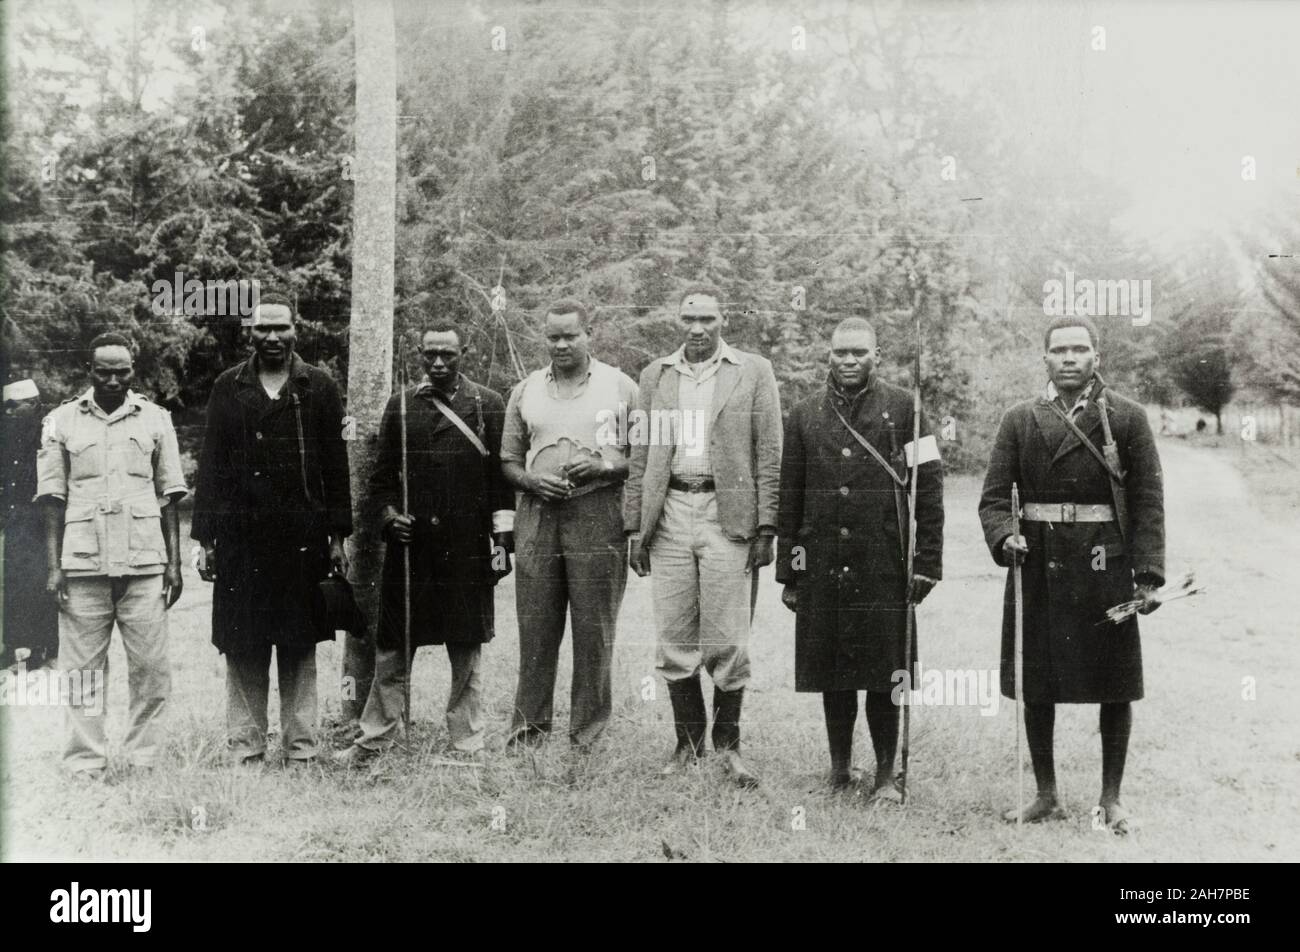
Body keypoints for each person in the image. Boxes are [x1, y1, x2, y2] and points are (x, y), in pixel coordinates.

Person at [978, 314, 1164, 833]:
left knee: (1114, 684)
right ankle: (1046, 794)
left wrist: (1147, 574)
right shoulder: (1019, 419)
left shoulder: (1127, 418)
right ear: (1044, 358)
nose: (1068, 359)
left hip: (1105, 566)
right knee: (1038, 684)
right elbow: (993, 499)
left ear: (1095, 357)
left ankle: (1111, 798)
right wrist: (1003, 536)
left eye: (1079, 350)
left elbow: (1148, 500)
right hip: (1038, 563)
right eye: (1058, 350)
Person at [776, 317, 943, 799]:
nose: (848, 361)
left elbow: (929, 488)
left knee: (884, 673)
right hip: (823, 565)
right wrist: (792, 573)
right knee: (833, 673)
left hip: (884, 565)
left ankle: (887, 774)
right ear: (828, 355)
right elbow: (792, 498)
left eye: (858, 353)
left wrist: (927, 561)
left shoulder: (906, 409)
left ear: (877, 356)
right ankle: (839, 769)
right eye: (840, 353)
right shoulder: (805, 414)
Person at [625, 285, 782, 788]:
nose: (697, 328)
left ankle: (729, 748)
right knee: (673, 634)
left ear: (723, 321)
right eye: (689, 318)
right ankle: (686, 743)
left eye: (707, 319)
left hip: (726, 513)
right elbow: (639, 456)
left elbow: (769, 454)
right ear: (679, 321)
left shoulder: (753, 371)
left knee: (728, 638)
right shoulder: (656, 375)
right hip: (669, 511)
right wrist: (635, 527)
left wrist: (767, 526)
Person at [336, 322, 513, 765]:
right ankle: (375, 739)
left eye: (447, 355)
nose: (437, 363)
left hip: (467, 548)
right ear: (419, 353)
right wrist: (389, 517)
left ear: (464, 352)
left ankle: (467, 744)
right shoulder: (399, 406)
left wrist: (502, 543)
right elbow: (380, 482)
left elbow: (501, 485)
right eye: (429, 354)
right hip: (411, 550)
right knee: (393, 648)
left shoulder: (488, 405)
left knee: (466, 648)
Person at [192, 293, 352, 766]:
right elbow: (212, 464)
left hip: (302, 540)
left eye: (282, 328)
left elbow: (335, 467)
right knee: (243, 642)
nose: (273, 337)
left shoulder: (318, 386)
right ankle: (246, 749)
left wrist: (338, 538)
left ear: (295, 330)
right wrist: (205, 539)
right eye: (264, 328)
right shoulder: (228, 386)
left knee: (299, 642)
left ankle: (301, 749)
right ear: (250, 332)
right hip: (241, 540)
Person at [35, 333, 187, 778]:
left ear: (132, 371)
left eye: (122, 371)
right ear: (89, 370)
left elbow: (170, 497)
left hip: (144, 564)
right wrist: (52, 567)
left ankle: (146, 759)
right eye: (104, 371)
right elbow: (51, 500)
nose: (114, 380)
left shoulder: (157, 420)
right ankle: (85, 762)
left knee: (151, 671)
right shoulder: (60, 421)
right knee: (83, 671)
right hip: (82, 565)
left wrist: (174, 565)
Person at [501, 299, 637, 752]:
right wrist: (530, 481)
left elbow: (645, 456)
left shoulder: (621, 387)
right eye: (553, 337)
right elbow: (508, 458)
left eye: (570, 336)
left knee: (593, 629)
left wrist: (603, 467)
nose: (561, 344)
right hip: (538, 516)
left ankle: (586, 735)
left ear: (589, 334)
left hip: (598, 516)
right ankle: (528, 730)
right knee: (536, 627)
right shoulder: (526, 390)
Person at [3, 379, 59, 669]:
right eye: (5, 407)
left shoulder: (50, 429)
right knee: (13, 583)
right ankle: (13, 644)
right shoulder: (8, 434)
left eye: (14, 407)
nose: (8, 413)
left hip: (43, 518)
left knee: (43, 582)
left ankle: (43, 645)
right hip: (15, 519)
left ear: (33, 404)